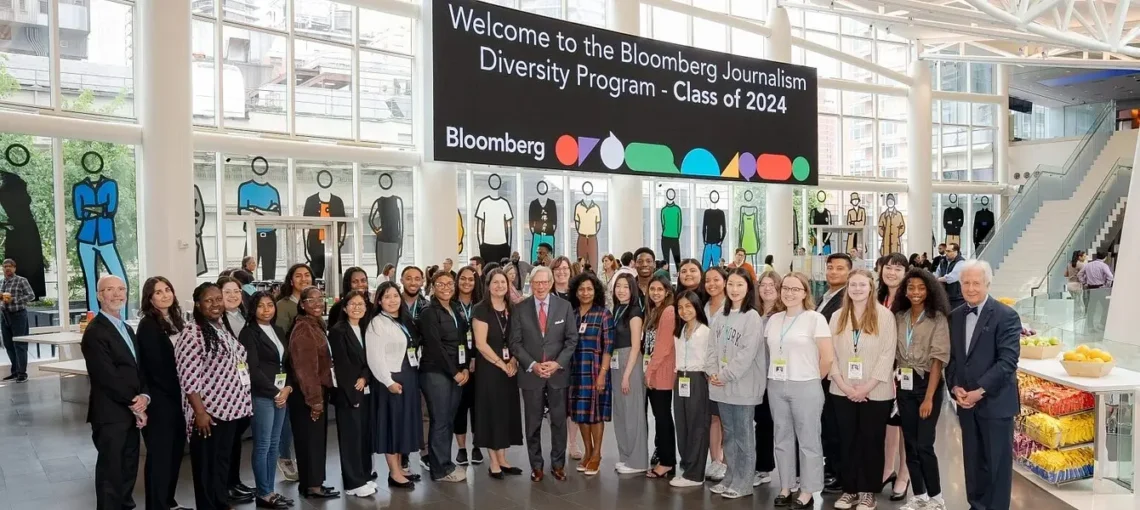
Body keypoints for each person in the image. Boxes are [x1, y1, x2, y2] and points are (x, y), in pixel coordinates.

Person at [946, 260, 1019, 510]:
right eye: (966, 282)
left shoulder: (1006, 315)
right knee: (973, 462)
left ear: (987, 283)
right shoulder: (954, 316)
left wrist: (979, 391)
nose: (970, 288)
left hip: (996, 403)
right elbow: (953, 359)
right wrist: (955, 388)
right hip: (966, 403)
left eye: (976, 283)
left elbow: (1007, 361)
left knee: (997, 466)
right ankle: (976, 506)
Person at [175, 282, 254, 510]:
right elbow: (188, 377)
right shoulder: (193, 332)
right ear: (198, 304)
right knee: (207, 468)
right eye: (208, 300)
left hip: (229, 411)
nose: (215, 304)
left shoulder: (219, 326)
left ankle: (220, 503)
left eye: (218, 299)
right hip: (209, 414)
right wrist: (199, 412)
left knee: (221, 464)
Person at [827, 269, 897, 510]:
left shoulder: (885, 316)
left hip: (875, 392)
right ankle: (850, 490)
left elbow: (888, 355)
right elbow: (830, 355)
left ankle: (868, 492)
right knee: (846, 441)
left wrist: (866, 387)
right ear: (847, 288)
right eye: (853, 285)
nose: (857, 289)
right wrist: (846, 387)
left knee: (871, 441)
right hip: (842, 390)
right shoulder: (837, 316)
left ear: (871, 288)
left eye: (862, 285)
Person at [765, 272, 832, 509]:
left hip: (806, 385)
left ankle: (807, 489)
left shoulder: (815, 319)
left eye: (796, 289)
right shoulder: (774, 320)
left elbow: (827, 357)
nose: (789, 293)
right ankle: (786, 486)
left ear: (805, 292)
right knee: (781, 438)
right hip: (776, 383)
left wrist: (812, 379)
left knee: (808, 440)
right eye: (785, 288)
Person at [82, 275, 148, 510]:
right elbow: (107, 377)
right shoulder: (95, 332)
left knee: (128, 467)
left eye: (121, 289)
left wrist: (145, 397)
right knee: (111, 472)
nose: (117, 294)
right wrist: (135, 403)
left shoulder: (126, 328)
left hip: (130, 412)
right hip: (110, 414)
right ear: (100, 296)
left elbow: (138, 368)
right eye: (110, 289)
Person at [508, 265, 579, 482]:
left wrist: (557, 364)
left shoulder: (564, 307)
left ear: (550, 283)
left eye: (544, 282)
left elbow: (571, 340)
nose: (540, 287)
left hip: (557, 375)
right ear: (532, 283)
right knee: (533, 423)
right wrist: (532, 365)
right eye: (536, 282)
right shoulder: (520, 308)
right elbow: (515, 343)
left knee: (558, 421)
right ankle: (536, 466)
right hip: (531, 374)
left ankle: (558, 465)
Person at [705, 269, 767, 498]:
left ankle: (744, 482)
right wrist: (712, 372)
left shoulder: (752, 317)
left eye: (739, 284)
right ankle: (731, 476)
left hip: (742, 386)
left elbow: (746, 355)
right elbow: (711, 348)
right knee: (729, 434)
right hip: (720, 386)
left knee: (743, 434)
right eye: (731, 284)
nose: (734, 289)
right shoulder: (720, 315)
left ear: (748, 288)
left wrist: (724, 375)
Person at [895, 269, 951, 510]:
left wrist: (929, 398)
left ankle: (937, 498)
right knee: (909, 443)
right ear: (905, 291)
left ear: (928, 290)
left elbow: (938, 360)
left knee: (924, 444)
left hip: (928, 383)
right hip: (904, 384)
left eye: (920, 287)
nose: (915, 292)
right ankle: (919, 495)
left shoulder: (937, 318)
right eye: (911, 288)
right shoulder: (899, 317)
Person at [136, 277, 191, 510]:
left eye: (167, 289)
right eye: (158, 292)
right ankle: (157, 505)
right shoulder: (148, 325)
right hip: (160, 400)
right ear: (150, 298)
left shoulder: (177, 320)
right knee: (160, 456)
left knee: (175, 453)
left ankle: (169, 501)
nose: (164, 295)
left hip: (180, 398)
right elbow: (156, 366)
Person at [236, 291, 294, 509]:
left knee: (273, 445)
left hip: (282, 394)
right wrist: (275, 392)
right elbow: (253, 368)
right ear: (253, 309)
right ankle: (263, 492)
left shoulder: (278, 330)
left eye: (270, 305)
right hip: (263, 395)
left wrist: (287, 388)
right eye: (261, 306)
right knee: (262, 445)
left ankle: (270, 491)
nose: (267, 309)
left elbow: (285, 364)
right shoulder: (249, 333)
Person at [366, 281, 424, 490]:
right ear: (379, 301)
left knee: (402, 425)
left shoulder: (404, 321)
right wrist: (389, 381)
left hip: (408, 376)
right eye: (387, 297)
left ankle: (400, 468)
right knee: (392, 426)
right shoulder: (377, 324)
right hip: (390, 380)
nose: (392, 300)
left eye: (395, 296)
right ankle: (394, 472)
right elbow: (374, 358)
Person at [470, 269, 524, 479]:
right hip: (490, 370)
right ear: (488, 285)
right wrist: (503, 364)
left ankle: (503, 459)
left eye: (504, 282)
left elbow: (518, 339)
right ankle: (493, 461)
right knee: (491, 412)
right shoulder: (481, 309)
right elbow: (481, 345)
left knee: (505, 412)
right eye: (496, 282)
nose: (500, 286)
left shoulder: (513, 309)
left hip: (510, 368)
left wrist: (514, 360)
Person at [418, 271, 470, 482]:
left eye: (450, 283)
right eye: (441, 283)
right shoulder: (429, 312)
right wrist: (455, 372)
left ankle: (445, 462)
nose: (446, 287)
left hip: (456, 372)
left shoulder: (455, 309)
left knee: (448, 419)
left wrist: (465, 367)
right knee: (440, 420)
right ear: (433, 286)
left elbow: (463, 341)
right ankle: (440, 469)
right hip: (436, 373)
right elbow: (435, 347)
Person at [288, 286, 340, 499]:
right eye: (312, 300)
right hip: (308, 396)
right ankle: (312, 487)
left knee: (316, 441)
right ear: (302, 304)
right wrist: (315, 400)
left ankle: (314, 483)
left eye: (321, 299)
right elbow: (305, 369)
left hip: (316, 392)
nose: (318, 303)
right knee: (310, 441)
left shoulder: (316, 324)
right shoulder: (303, 329)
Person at [327, 290, 377, 498]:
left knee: (364, 435)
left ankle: (364, 476)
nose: (357, 307)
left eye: (361, 304)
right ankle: (353, 482)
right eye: (353, 304)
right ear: (345, 308)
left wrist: (365, 377)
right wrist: (352, 394)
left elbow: (371, 358)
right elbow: (342, 366)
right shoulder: (338, 331)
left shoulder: (366, 328)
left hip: (365, 387)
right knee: (350, 438)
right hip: (349, 394)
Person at [566, 272, 614, 476]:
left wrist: (602, 374)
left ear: (596, 292)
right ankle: (587, 452)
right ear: (575, 292)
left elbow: (608, 347)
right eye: (581, 289)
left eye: (589, 289)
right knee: (580, 414)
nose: (585, 293)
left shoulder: (604, 314)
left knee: (595, 415)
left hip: (596, 370)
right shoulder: (572, 314)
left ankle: (597, 454)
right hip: (576, 371)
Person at [213, 275, 255, 501]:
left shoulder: (244, 315)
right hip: (227, 389)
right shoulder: (217, 321)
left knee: (236, 437)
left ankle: (235, 480)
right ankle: (226, 485)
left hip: (246, 385)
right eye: (227, 292)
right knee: (226, 441)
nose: (232, 296)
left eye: (236, 292)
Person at [669, 290, 712, 488]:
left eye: (688, 306)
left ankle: (696, 474)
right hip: (681, 379)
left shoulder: (705, 332)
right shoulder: (679, 331)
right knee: (682, 425)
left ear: (696, 306)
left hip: (698, 379)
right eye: (680, 307)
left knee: (697, 426)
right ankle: (686, 467)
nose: (684, 311)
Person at [876, 252, 911, 499]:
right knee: (887, 423)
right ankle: (887, 468)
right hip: (879, 369)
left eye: (898, 269)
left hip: (904, 370)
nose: (892, 272)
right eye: (888, 267)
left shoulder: (911, 299)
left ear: (906, 273)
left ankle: (904, 474)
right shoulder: (876, 298)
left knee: (906, 424)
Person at [817, 252, 850, 492]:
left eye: (840, 268)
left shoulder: (847, 299)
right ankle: (831, 468)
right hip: (819, 368)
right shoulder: (824, 296)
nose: (834, 272)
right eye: (831, 267)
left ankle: (839, 472)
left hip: (834, 371)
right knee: (826, 421)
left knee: (835, 424)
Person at [609, 273, 648, 474]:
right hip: (616, 361)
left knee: (633, 412)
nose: (621, 290)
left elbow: (635, 346)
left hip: (630, 362)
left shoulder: (634, 312)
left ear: (632, 289)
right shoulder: (617, 309)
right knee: (621, 412)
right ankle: (625, 456)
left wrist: (627, 375)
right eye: (618, 286)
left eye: (625, 286)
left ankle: (638, 461)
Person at [643, 274, 677, 479]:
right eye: (652, 289)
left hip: (662, 372)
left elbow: (663, 347)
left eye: (659, 289)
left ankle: (667, 462)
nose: (655, 293)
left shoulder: (669, 311)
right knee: (659, 416)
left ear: (667, 292)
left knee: (663, 417)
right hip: (654, 370)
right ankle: (665, 458)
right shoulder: (654, 310)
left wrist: (650, 371)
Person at [451, 266, 483, 466]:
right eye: (463, 279)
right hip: (458, 364)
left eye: (471, 279)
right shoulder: (451, 305)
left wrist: (476, 358)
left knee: (478, 406)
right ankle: (462, 448)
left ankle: (477, 446)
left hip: (480, 362)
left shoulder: (481, 305)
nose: (467, 283)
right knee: (460, 407)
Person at [753, 270, 782, 486]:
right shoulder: (753, 314)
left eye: (772, 284)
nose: (767, 288)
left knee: (784, 426)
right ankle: (763, 468)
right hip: (756, 379)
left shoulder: (784, 315)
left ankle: (796, 474)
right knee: (763, 424)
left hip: (779, 379)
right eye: (763, 283)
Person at [702, 266, 728, 480]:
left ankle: (728, 461)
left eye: (716, 280)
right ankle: (715, 460)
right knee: (713, 418)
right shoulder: (703, 306)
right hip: (706, 369)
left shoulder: (732, 306)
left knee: (727, 417)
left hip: (726, 370)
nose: (711, 284)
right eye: (708, 280)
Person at [0, 258, 33, 382]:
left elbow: (31, 295)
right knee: (8, 345)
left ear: (14, 268)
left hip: (18, 315)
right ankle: (14, 372)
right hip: (4, 316)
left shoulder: (21, 280)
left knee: (20, 345)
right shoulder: (2, 282)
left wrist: (14, 300)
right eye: (5, 266)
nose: (7, 268)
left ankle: (22, 374)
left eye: (10, 266)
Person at [1079, 251, 1114, 331]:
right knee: (1106, 307)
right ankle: (1102, 325)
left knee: (1091, 308)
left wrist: (1084, 282)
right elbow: (1110, 276)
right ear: (1105, 257)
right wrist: (1107, 285)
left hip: (1091, 288)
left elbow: (1079, 274)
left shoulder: (1088, 265)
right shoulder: (1103, 265)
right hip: (1101, 288)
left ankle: (1090, 327)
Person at [275, 263, 313, 336]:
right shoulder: (282, 306)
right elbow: (281, 336)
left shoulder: (315, 304)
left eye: (307, 275)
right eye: (298, 276)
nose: (304, 279)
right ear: (291, 281)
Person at [935, 243, 965, 311]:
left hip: (957, 298)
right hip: (944, 296)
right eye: (946, 251)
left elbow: (951, 278)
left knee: (955, 318)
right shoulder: (943, 261)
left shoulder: (961, 262)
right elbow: (937, 274)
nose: (946, 253)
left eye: (949, 251)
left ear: (956, 252)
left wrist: (937, 280)